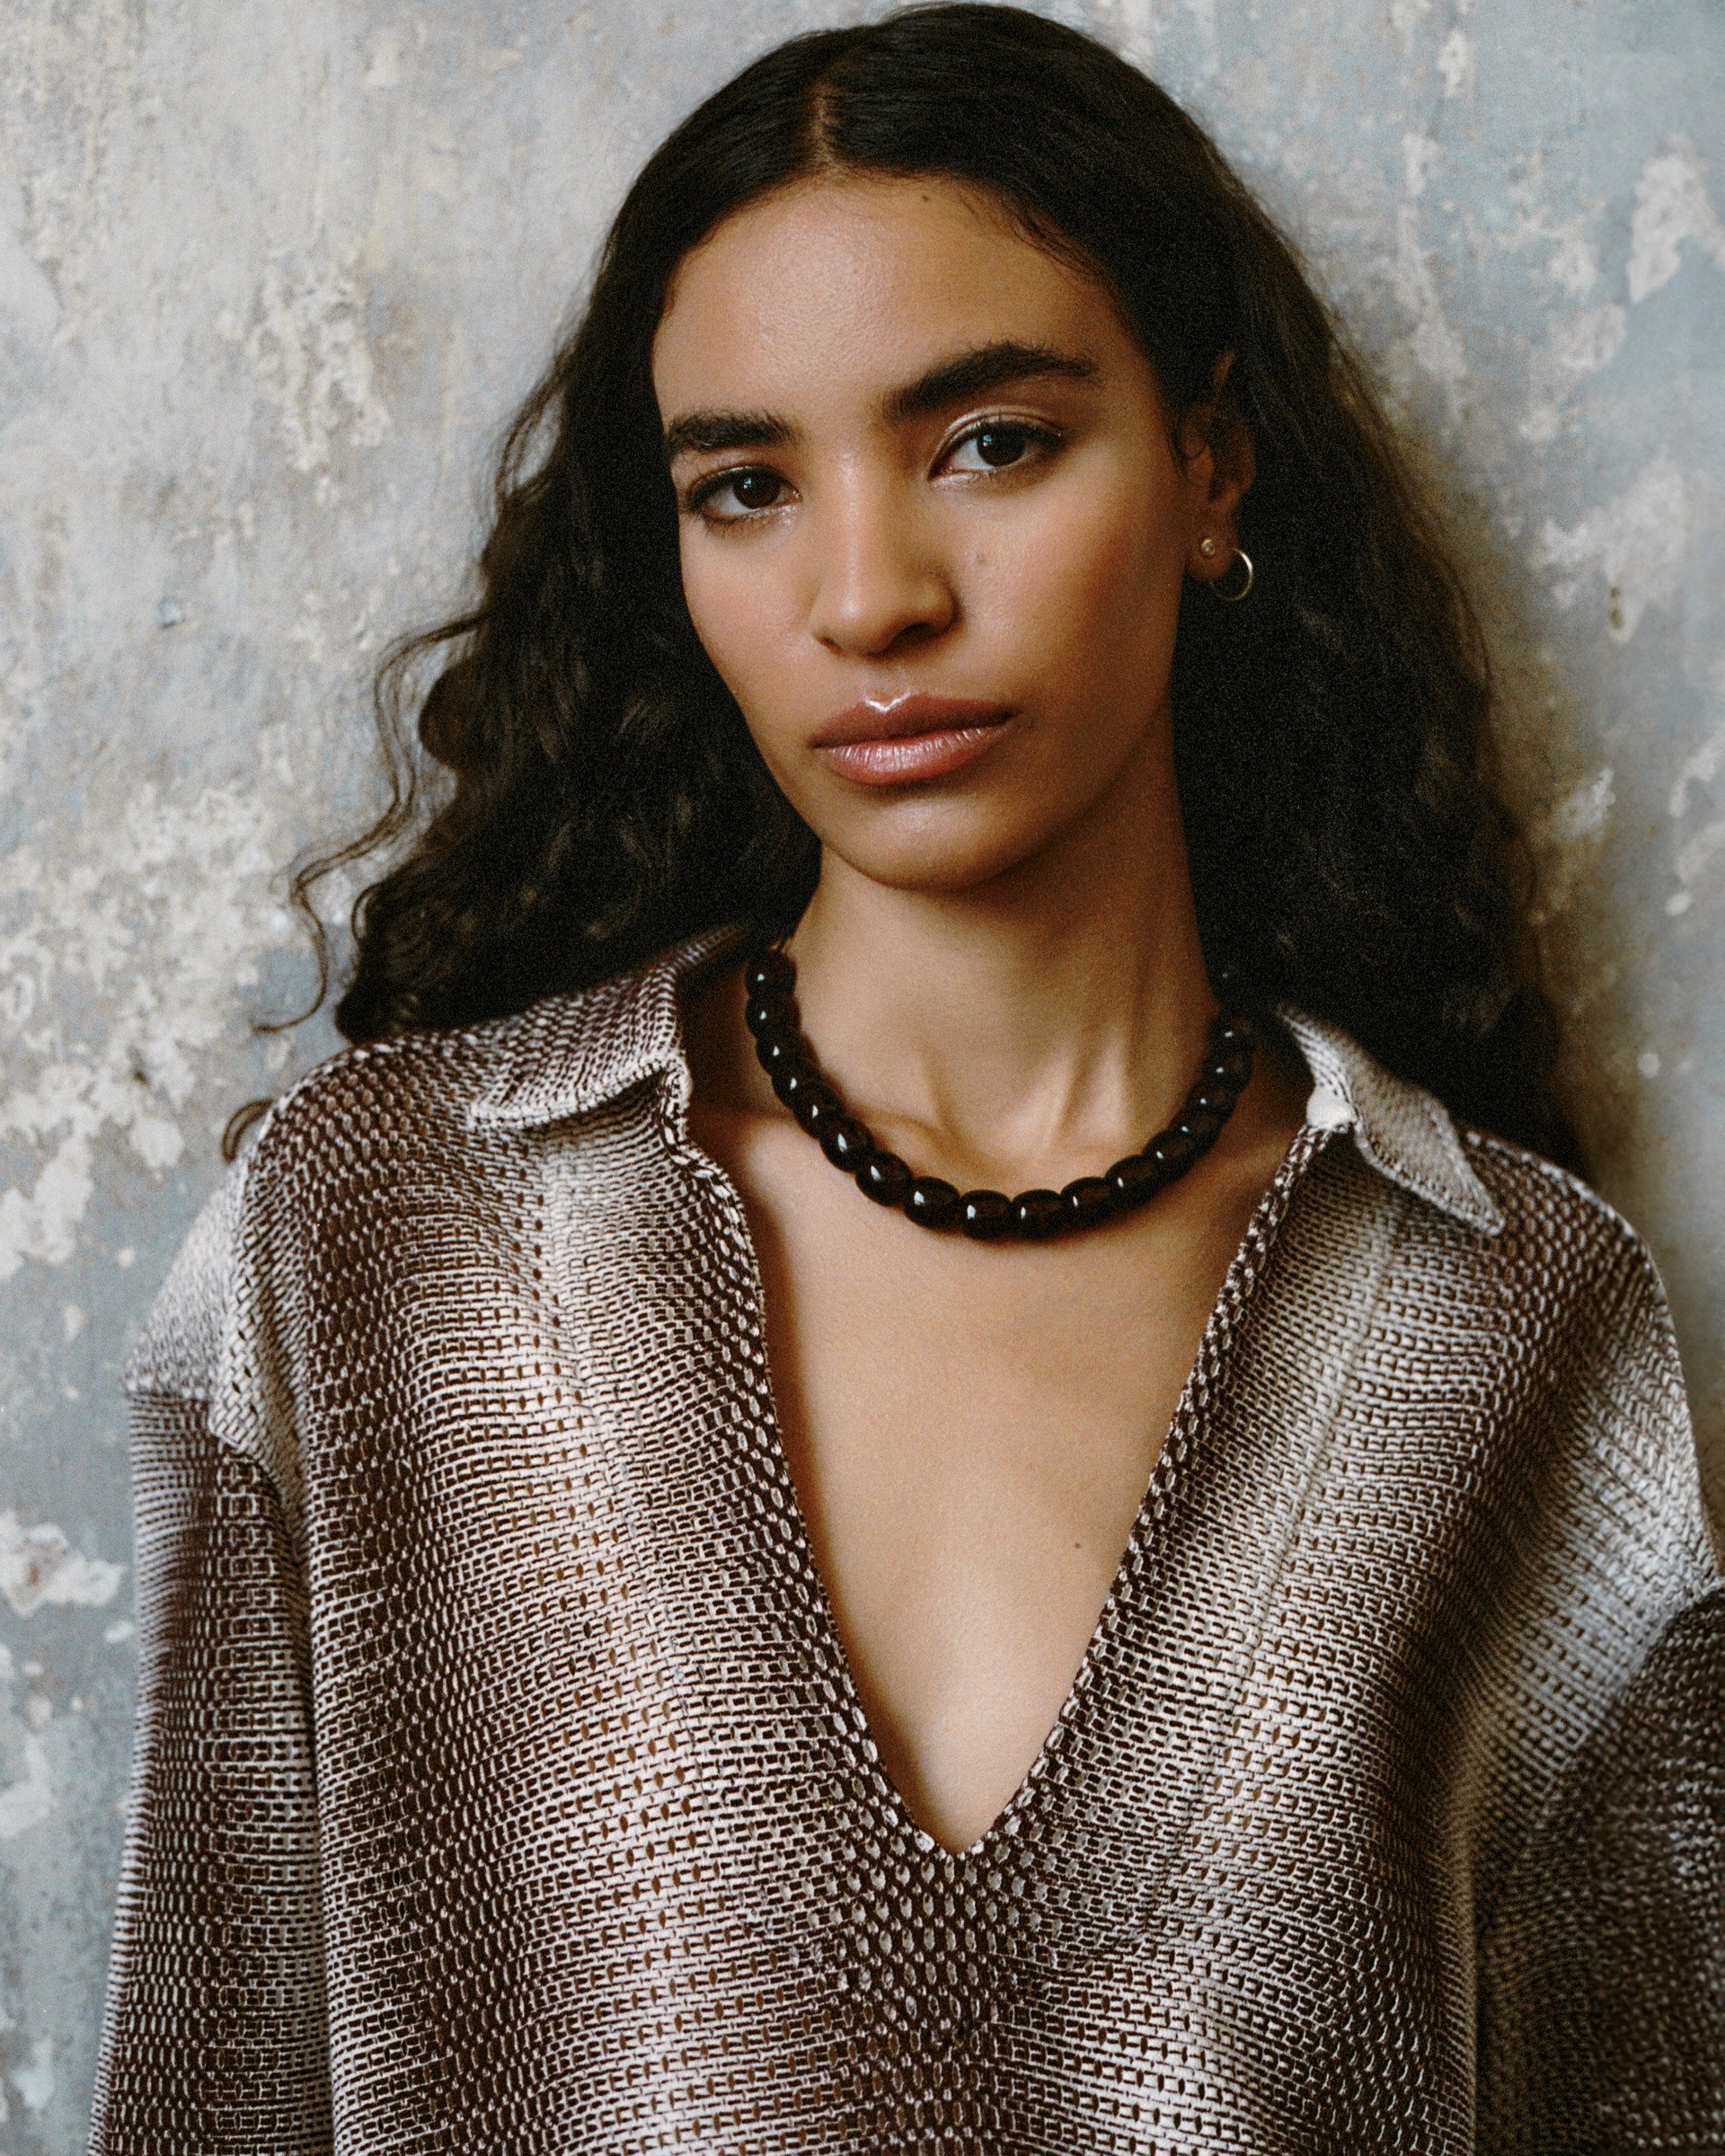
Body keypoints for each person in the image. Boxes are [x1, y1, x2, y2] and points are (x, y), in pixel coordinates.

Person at [89, 7, 1722, 2152]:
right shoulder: (383, 1236)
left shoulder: (1508, 1314)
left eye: (991, 444)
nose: (870, 598)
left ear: (1211, 465)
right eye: (748, 489)